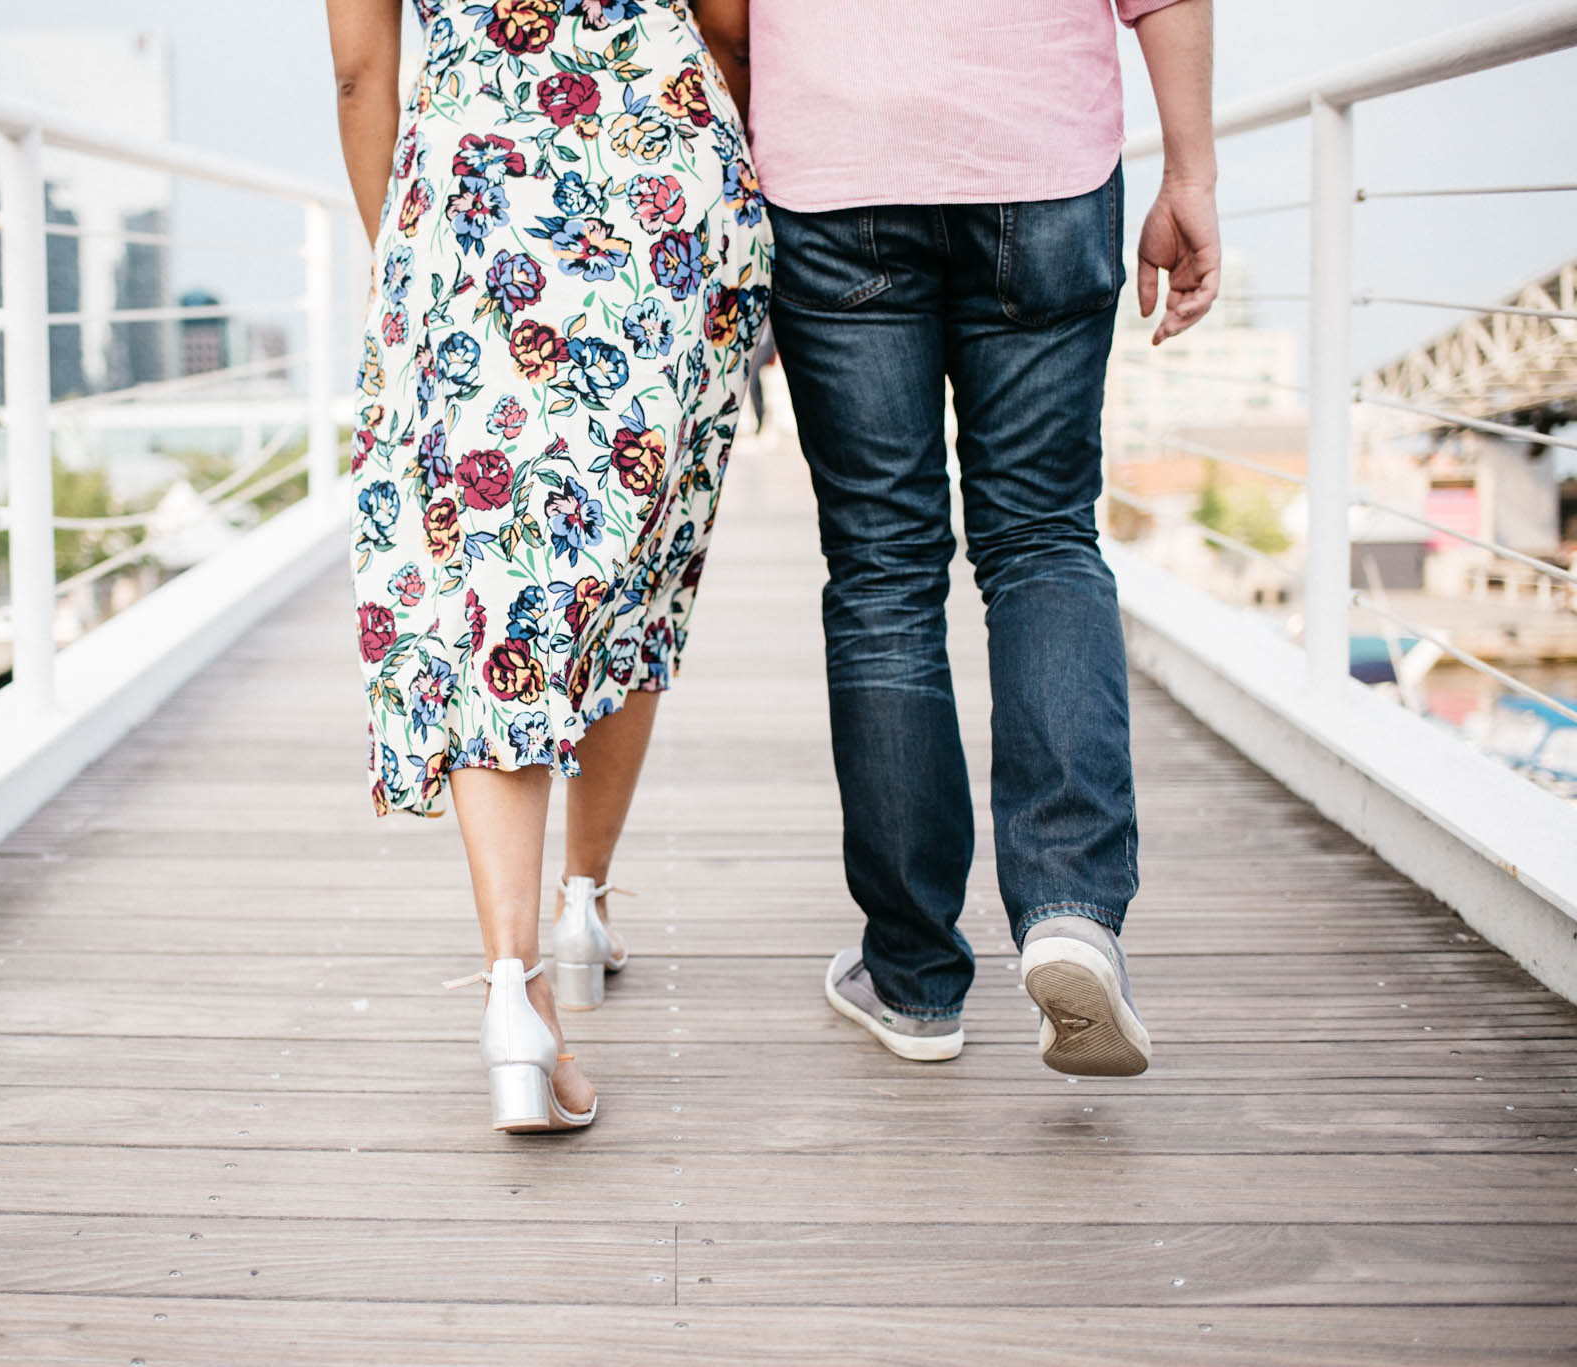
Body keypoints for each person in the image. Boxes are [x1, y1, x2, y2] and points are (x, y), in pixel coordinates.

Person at [705, 0, 1221, 1075]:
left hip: (832, 167)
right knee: (1039, 537)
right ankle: (1069, 911)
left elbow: (722, 12)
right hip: (1040, 156)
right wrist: (1190, 176)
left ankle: (912, 979)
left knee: (881, 568)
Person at [326, 0, 773, 1132]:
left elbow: (357, 73)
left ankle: (515, 985)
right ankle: (582, 901)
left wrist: (407, 258)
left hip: (469, 187)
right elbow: (727, 26)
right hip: (655, 176)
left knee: (496, 577)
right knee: (629, 565)